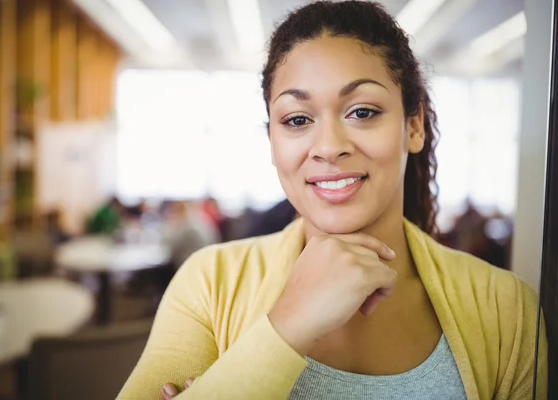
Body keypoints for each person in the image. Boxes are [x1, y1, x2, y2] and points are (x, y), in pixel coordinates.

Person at [117, 2, 547, 399]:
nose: (327, 147)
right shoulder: (210, 283)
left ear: (413, 126)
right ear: (272, 140)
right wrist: (286, 327)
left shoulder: (506, 308)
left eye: (361, 112)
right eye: (297, 119)